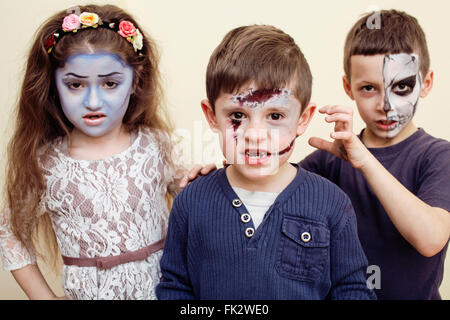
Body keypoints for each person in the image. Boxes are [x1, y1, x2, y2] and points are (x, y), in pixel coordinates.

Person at [156, 25, 376, 300]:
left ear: (303, 119)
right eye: (237, 115)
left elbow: (352, 290)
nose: (255, 136)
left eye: (274, 116)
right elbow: (175, 287)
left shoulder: (332, 203)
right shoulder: (191, 202)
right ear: (212, 116)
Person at [0, 4, 190, 300]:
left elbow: (194, 202)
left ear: (135, 81)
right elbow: (10, 232)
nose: (92, 101)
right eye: (75, 84)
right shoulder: (46, 164)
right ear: (53, 85)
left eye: (110, 83)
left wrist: (211, 178)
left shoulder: (155, 145)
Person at [300, 9, 450, 299]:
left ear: (426, 83)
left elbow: (431, 239)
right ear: (349, 87)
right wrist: (218, 175)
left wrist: (366, 160)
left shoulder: (438, 156)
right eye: (369, 88)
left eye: (402, 87)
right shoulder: (330, 160)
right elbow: (268, 190)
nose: (386, 105)